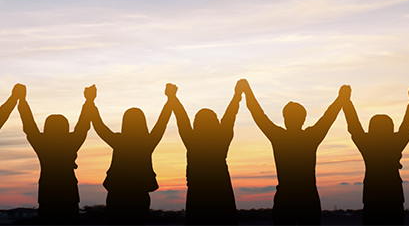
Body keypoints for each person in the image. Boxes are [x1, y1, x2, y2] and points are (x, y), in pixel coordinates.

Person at [242, 79, 348, 226]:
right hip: (308, 198)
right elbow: (329, 116)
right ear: (303, 118)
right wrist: (341, 98)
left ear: (285, 118)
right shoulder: (311, 136)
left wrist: (247, 91)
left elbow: (257, 113)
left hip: (286, 198)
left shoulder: (278, 136)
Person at [90, 84, 173, 226]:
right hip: (139, 194)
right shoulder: (148, 142)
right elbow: (162, 122)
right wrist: (170, 99)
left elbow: (99, 126)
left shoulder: (119, 140)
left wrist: (90, 102)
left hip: (117, 193)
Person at [17, 84, 95, 226]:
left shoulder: (42, 144)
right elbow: (83, 125)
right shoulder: (71, 142)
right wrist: (89, 101)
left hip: (48, 195)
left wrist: (22, 101)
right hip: (68, 195)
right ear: (66, 128)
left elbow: (28, 124)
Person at [342, 85, 409, 226]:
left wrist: (346, 101)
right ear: (390, 128)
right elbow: (408, 124)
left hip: (372, 197)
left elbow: (353, 125)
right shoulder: (396, 142)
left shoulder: (367, 144)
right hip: (394, 197)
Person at [168, 81, 243, 226]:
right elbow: (230, 116)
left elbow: (181, 118)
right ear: (216, 124)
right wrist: (237, 95)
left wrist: (172, 97)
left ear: (196, 124)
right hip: (221, 193)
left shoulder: (192, 141)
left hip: (198, 195)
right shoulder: (221, 139)